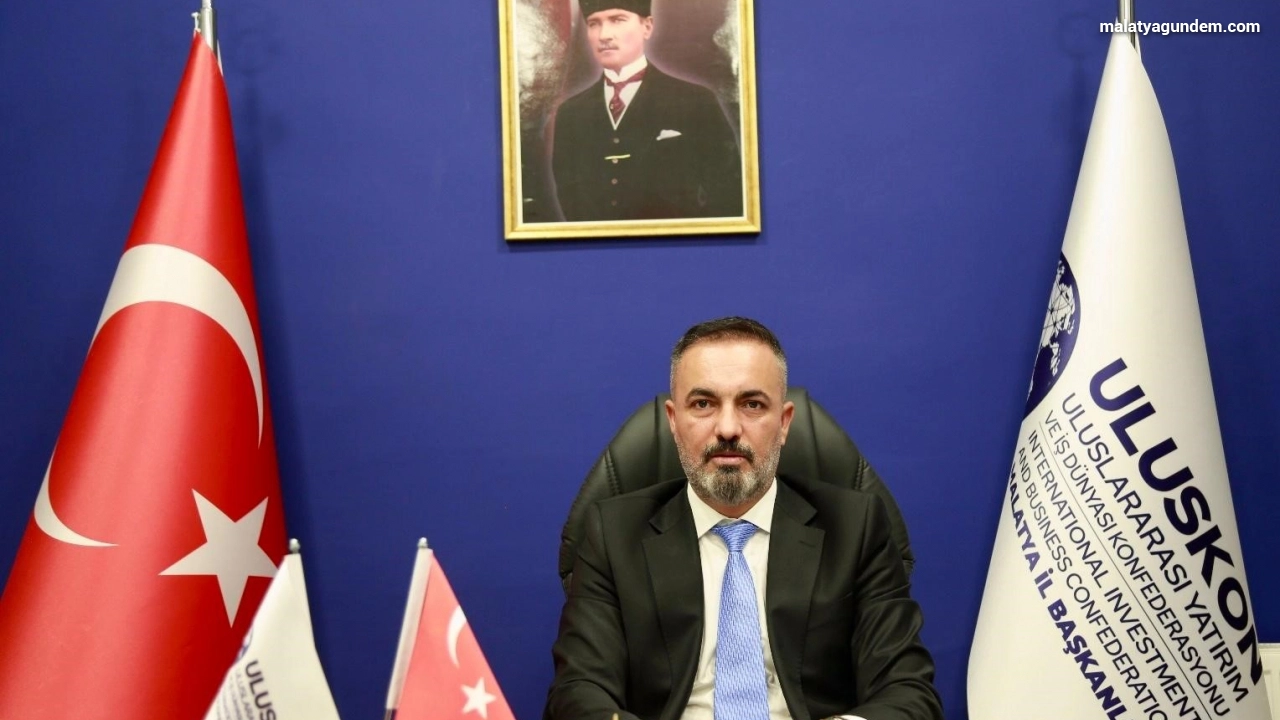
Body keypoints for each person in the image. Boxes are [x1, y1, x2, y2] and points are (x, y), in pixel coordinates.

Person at [545, 317, 943, 720]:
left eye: (752, 404)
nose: (728, 428)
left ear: (784, 423)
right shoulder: (613, 534)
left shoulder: (855, 528)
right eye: (703, 404)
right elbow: (578, 691)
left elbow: (908, 692)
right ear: (673, 421)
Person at [551, 0, 744, 222]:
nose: (604, 35)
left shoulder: (695, 101)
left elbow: (728, 193)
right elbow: (569, 197)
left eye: (617, 20)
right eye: (594, 23)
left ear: (647, 27)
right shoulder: (571, 113)